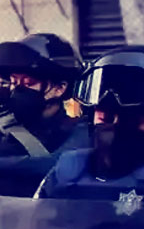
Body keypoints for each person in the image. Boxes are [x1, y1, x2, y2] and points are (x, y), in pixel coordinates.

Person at [0, 33, 89, 198]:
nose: (18, 90)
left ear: (59, 88)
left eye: (28, 83)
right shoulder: (1, 126)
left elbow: (58, 164)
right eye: (15, 82)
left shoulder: (79, 128)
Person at [38, 46, 144, 199]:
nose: (112, 121)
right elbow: (38, 212)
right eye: (104, 112)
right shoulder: (69, 170)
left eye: (132, 116)